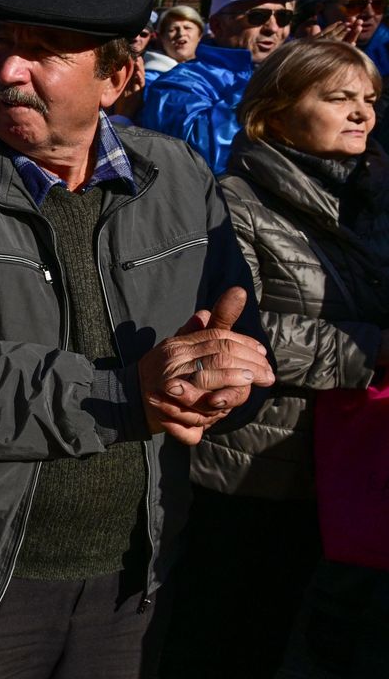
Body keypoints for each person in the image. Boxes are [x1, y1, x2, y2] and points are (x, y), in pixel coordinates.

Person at [0, 0, 275, 677]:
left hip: (137, 576)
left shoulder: (181, 176)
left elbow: (236, 333)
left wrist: (223, 381)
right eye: (4, 43)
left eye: (45, 51)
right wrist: (127, 395)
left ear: (118, 76)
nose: (7, 71)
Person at [160, 39, 388, 679]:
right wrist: (373, 349)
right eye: (338, 98)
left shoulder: (374, 195)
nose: (361, 114)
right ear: (275, 113)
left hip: (354, 468)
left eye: (370, 100)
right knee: (229, 638)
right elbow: (241, 328)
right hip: (257, 469)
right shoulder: (234, 199)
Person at [143, 0, 312, 172]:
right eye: (258, 16)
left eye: (283, 17)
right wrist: (273, 78)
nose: (273, 28)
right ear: (217, 26)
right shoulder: (177, 83)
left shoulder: (291, 72)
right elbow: (202, 157)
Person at [321, 0, 388, 77]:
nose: (370, 14)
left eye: (378, 5)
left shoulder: (386, 47)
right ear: (322, 9)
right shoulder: (295, 47)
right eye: (356, 5)